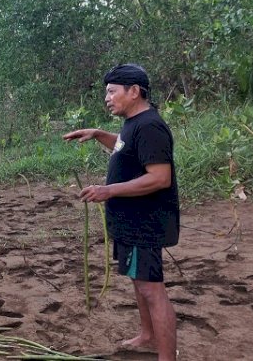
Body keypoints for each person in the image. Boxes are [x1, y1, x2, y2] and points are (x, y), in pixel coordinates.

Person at [63, 64, 179, 361]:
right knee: (138, 281)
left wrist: (108, 190)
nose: (107, 98)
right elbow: (127, 147)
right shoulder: (133, 122)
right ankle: (148, 335)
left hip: (145, 223)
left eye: (112, 92)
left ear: (134, 91)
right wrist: (100, 134)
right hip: (130, 221)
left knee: (152, 290)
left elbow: (159, 177)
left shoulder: (150, 126)